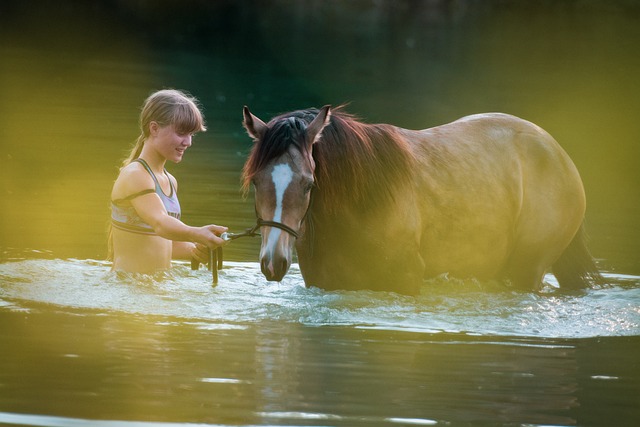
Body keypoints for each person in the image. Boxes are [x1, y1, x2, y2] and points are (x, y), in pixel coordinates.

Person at [108, 89, 227, 273]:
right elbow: (160, 223)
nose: (188, 142)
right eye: (181, 133)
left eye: (191, 135)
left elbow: (161, 241)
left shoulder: (170, 181)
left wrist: (195, 249)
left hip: (157, 292)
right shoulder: (135, 174)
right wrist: (196, 232)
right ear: (154, 128)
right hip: (128, 290)